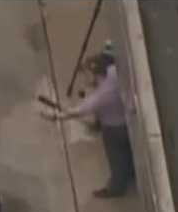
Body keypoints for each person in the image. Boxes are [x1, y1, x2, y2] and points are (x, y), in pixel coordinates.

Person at [52, 42, 135, 198]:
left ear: (97, 73)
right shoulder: (114, 73)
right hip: (127, 122)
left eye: (87, 75)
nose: (85, 79)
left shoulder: (100, 97)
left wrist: (57, 115)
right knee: (128, 150)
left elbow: (79, 110)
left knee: (115, 157)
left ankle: (116, 188)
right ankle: (131, 170)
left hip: (113, 129)